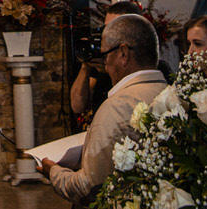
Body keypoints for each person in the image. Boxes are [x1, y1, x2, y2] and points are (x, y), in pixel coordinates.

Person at [43, 15, 167, 207]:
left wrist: (53, 172)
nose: (105, 64)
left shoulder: (117, 107)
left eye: (105, 54)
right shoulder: (172, 94)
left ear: (123, 54)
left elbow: (89, 188)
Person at [69, 1, 139, 119]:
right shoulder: (101, 63)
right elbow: (77, 106)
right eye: (106, 28)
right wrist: (85, 66)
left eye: (114, 28)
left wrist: (111, 70)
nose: (107, 33)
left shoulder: (145, 64)